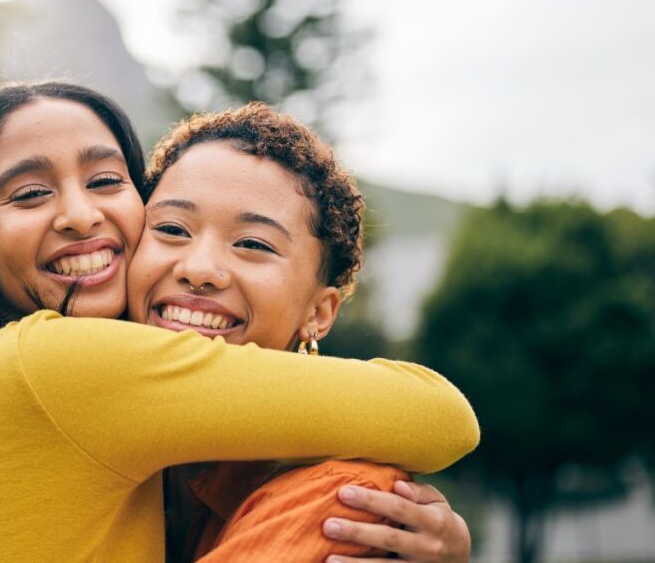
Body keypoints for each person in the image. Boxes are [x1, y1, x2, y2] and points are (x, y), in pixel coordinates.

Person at [0, 82, 478, 562]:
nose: (81, 215)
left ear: (323, 308)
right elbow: (439, 415)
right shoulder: (55, 363)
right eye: (30, 193)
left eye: (107, 180)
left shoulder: (168, 466)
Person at [130, 103, 470, 562]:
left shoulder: (340, 499)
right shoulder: (67, 400)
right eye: (171, 228)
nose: (199, 269)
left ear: (320, 312)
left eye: (252, 243)